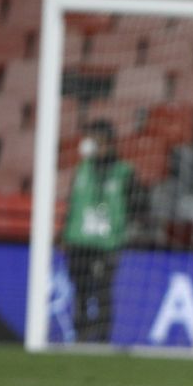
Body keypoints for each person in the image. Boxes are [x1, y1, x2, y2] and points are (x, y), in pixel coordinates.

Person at [61, 120, 143, 342]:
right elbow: (73, 204)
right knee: (80, 291)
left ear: (109, 142)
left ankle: (103, 337)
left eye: (97, 139)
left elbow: (139, 206)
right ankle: (80, 334)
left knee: (102, 291)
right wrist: (64, 234)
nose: (92, 144)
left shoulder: (124, 173)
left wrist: (126, 231)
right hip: (78, 241)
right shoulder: (82, 170)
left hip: (107, 244)